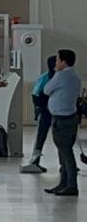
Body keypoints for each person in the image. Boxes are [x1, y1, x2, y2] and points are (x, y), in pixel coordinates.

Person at [43, 49, 82, 196]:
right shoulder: (75, 77)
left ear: (64, 62)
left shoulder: (61, 75)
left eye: (58, 60)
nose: (56, 63)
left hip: (61, 119)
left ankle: (71, 185)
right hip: (71, 117)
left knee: (66, 153)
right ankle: (64, 183)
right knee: (64, 152)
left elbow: (46, 90)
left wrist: (54, 73)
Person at [22, 55, 60, 174]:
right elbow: (35, 94)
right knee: (41, 136)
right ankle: (35, 162)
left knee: (60, 138)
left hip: (57, 111)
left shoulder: (60, 77)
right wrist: (39, 108)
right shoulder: (45, 77)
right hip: (45, 111)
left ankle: (65, 163)